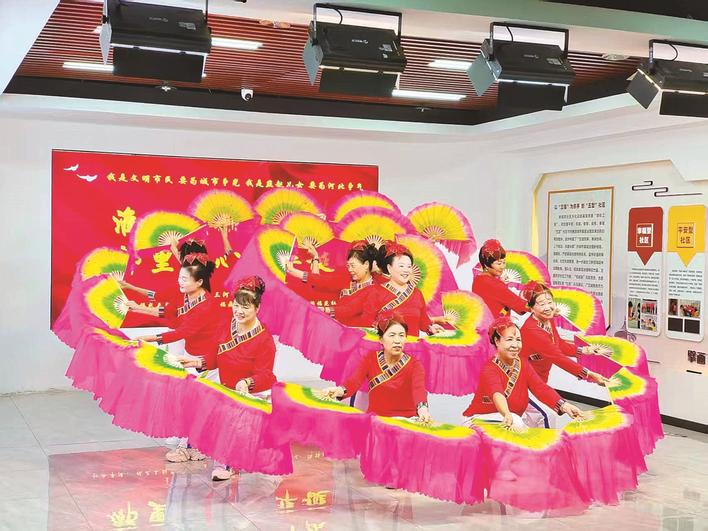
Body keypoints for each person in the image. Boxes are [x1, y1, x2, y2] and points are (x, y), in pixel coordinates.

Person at [121, 253, 221, 462]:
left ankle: (189, 448)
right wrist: (136, 307)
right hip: (190, 355)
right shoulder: (187, 297)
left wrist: (148, 338)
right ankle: (195, 445)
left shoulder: (206, 305)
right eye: (179, 278)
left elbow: (182, 331)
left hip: (208, 360)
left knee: (196, 403)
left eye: (184, 279)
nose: (180, 282)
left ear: (199, 282)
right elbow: (169, 313)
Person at [178, 275, 277, 481]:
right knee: (198, 399)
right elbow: (215, 358)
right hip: (228, 388)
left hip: (252, 393)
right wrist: (195, 361)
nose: (239, 311)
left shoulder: (264, 339)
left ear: (257, 308)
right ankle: (196, 448)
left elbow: (266, 375)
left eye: (246, 307)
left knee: (229, 416)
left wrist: (247, 382)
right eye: (236, 305)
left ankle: (229, 464)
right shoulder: (227, 326)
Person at [463, 317, 585, 430]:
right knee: (516, 421)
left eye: (518, 340)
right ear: (497, 341)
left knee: (548, 415)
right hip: (480, 418)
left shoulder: (523, 363)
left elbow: (540, 387)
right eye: (509, 340)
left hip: (508, 417)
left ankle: (545, 446)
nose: (515, 345)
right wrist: (506, 413)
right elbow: (497, 394)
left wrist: (565, 406)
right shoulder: (490, 369)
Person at [322, 312, 431, 422]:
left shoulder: (415, 365)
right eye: (392, 335)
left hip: (404, 422)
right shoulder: (370, 359)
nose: (397, 341)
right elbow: (354, 382)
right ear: (381, 339)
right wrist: (339, 390)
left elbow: (419, 390)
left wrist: (422, 409)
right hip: (376, 421)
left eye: (401, 335)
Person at [286, 240, 383, 326]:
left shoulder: (375, 290)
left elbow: (348, 310)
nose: (350, 269)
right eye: (348, 266)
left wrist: (323, 309)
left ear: (366, 265)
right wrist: (314, 258)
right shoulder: (347, 279)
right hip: (335, 327)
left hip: (355, 334)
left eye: (353, 266)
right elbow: (320, 281)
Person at [359, 242, 445, 336]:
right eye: (401, 266)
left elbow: (423, 321)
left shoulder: (417, 293)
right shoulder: (376, 292)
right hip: (386, 344)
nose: (406, 270)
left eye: (409, 266)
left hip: (413, 344)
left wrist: (430, 328)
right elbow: (366, 321)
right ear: (389, 268)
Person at [472, 239, 529, 318]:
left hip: (484, 322)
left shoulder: (478, 280)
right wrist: (537, 302)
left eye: (504, 262)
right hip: (498, 324)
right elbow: (520, 306)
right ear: (486, 264)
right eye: (499, 263)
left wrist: (501, 284)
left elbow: (494, 301)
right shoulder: (494, 284)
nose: (502, 267)